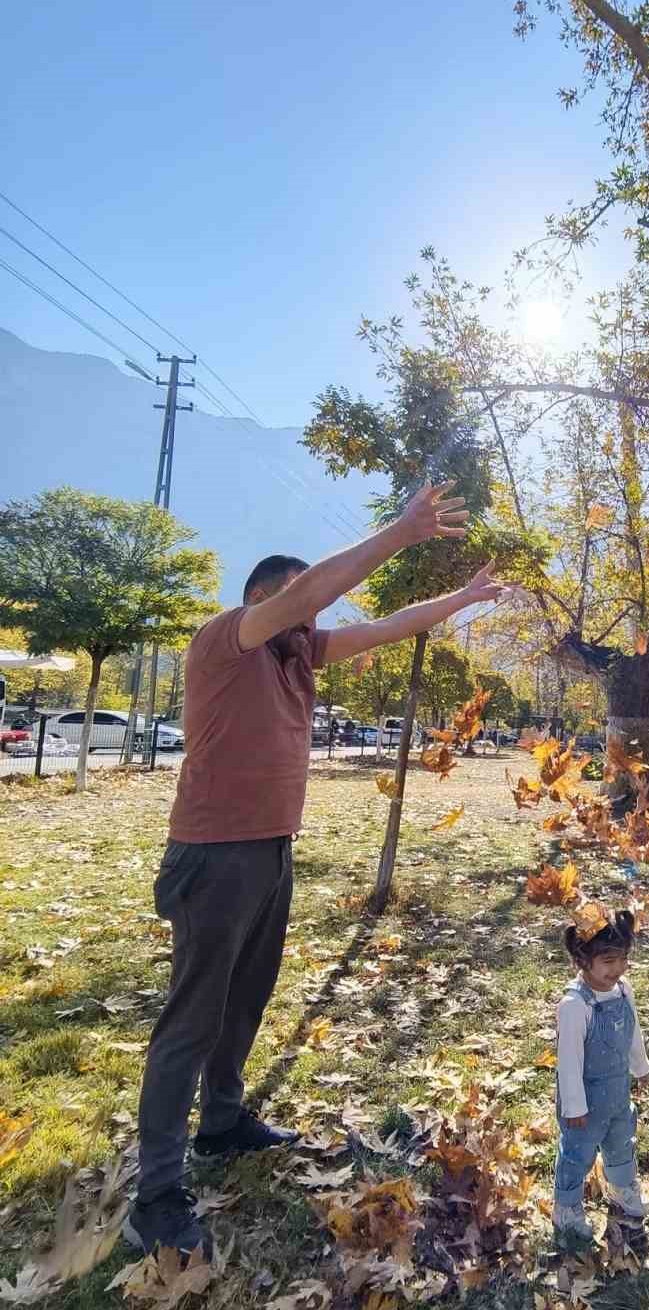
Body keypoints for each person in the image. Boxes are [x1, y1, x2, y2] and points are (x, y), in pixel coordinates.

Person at [126, 484, 503, 1257]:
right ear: (262, 601)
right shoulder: (227, 639)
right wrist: (400, 533)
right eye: (297, 607)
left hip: (271, 850)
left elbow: (388, 626)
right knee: (192, 1019)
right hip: (214, 855)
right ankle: (155, 1195)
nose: (311, 622)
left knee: (245, 1001)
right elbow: (312, 593)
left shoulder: (301, 656)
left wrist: (461, 599)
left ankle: (221, 1123)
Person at [553, 909, 649, 1244]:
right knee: (577, 1154)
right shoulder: (574, 1005)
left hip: (618, 1093)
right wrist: (574, 1107)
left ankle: (622, 1189)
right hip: (584, 1102)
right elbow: (568, 1061)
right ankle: (567, 1207)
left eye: (623, 958)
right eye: (608, 961)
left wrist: (641, 1067)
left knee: (621, 1142)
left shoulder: (623, 991)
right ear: (583, 960)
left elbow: (632, 1032)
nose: (618, 968)